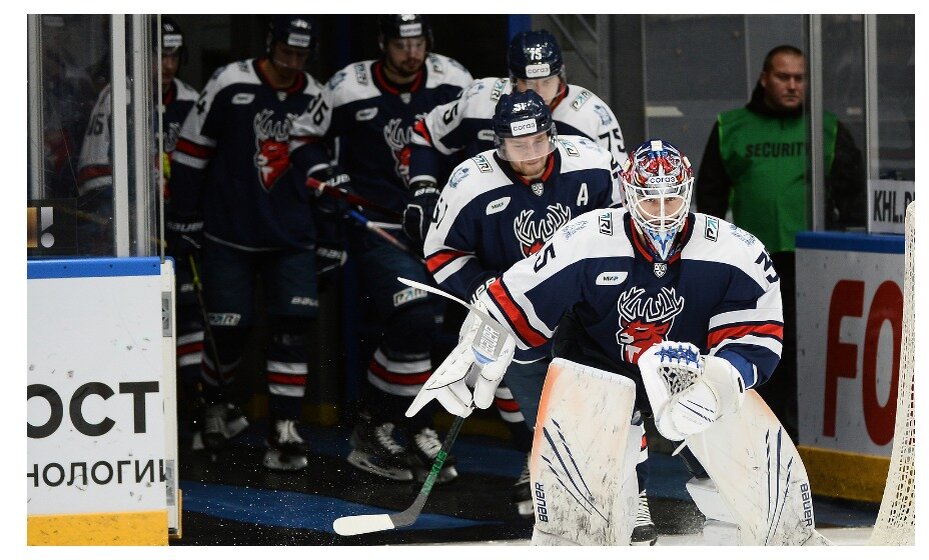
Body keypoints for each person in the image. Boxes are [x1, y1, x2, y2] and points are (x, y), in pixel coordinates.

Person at [407, 139, 826, 546]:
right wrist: (483, 343)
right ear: (628, 194)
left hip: (692, 375)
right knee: (582, 522)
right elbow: (515, 297)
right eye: (649, 201)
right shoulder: (586, 238)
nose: (661, 215)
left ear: (688, 193)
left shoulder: (735, 251)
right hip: (598, 375)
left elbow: (759, 334)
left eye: (672, 200)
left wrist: (717, 385)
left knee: (767, 506)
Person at [420, 89, 662, 542]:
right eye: (516, 146)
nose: (529, 156)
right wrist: (485, 294)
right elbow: (440, 253)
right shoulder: (470, 182)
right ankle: (569, 495)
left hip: (590, 309)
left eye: (538, 143)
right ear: (498, 145)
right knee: (548, 416)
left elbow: (634, 226)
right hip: (519, 316)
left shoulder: (592, 164)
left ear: (552, 135)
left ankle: (635, 494)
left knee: (618, 403)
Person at [289, 15, 473, 483]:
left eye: (418, 43)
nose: (410, 53)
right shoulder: (347, 86)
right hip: (377, 224)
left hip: (440, 227)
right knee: (412, 315)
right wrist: (327, 174)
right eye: (400, 44)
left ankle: (401, 425)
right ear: (382, 45)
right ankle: (382, 424)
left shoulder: (454, 78)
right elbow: (302, 137)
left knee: (436, 329)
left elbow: (478, 140)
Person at [167, 15, 327, 472]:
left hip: (291, 235)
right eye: (286, 52)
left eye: (302, 54)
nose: (293, 62)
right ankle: (216, 405)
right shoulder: (229, 81)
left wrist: (329, 236)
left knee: (293, 328)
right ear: (270, 43)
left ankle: (285, 428)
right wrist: (185, 217)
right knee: (228, 332)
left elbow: (318, 167)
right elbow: (191, 150)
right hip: (228, 233)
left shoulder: (315, 95)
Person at [696, 44, 866, 440]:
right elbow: (711, 202)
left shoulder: (826, 128)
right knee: (757, 347)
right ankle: (759, 432)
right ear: (764, 78)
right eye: (783, 77)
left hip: (813, 261)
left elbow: (853, 201)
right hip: (754, 264)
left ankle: (801, 434)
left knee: (806, 354)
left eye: (799, 78)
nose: (792, 85)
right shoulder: (730, 127)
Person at [78, 18, 205, 428]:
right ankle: (137, 412)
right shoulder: (119, 95)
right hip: (127, 236)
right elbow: (94, 171)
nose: (167, 65)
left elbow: (205, 169)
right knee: (132, 320)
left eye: (173, 56)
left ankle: (192, 409)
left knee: (187, 313)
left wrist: (190, 219)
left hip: (177, 231)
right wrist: (121, 219)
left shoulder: (191, 100)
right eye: (159, 54)